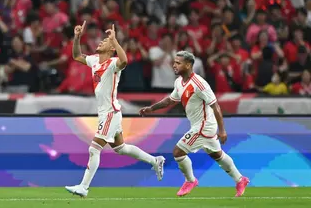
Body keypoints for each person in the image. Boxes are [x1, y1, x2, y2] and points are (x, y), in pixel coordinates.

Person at [65, 21, 165, 197]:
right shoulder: (94, 60)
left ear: (112, 48)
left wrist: (115, 40)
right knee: (121, 148)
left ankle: (84, 187)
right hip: (108, 112)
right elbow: (76, 56)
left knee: (94, 148)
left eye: (105, 41)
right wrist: (77, 37)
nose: (100, 42)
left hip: (110, 112)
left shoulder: (113, 64)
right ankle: (154, 160)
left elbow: (125, 60)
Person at [139, 50, 249, 197]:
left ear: (189, 65)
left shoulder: (199, 83)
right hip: (198, 125)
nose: (174, 65)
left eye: (178, 63)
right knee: (217, 155)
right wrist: (152, 108)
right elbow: (171, 100)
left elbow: (215, 105)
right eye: (174, 62)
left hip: (204, 126)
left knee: (178, 152)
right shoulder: (179, 82)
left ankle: (190, 180)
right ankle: (240, 180)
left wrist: (222, 130)